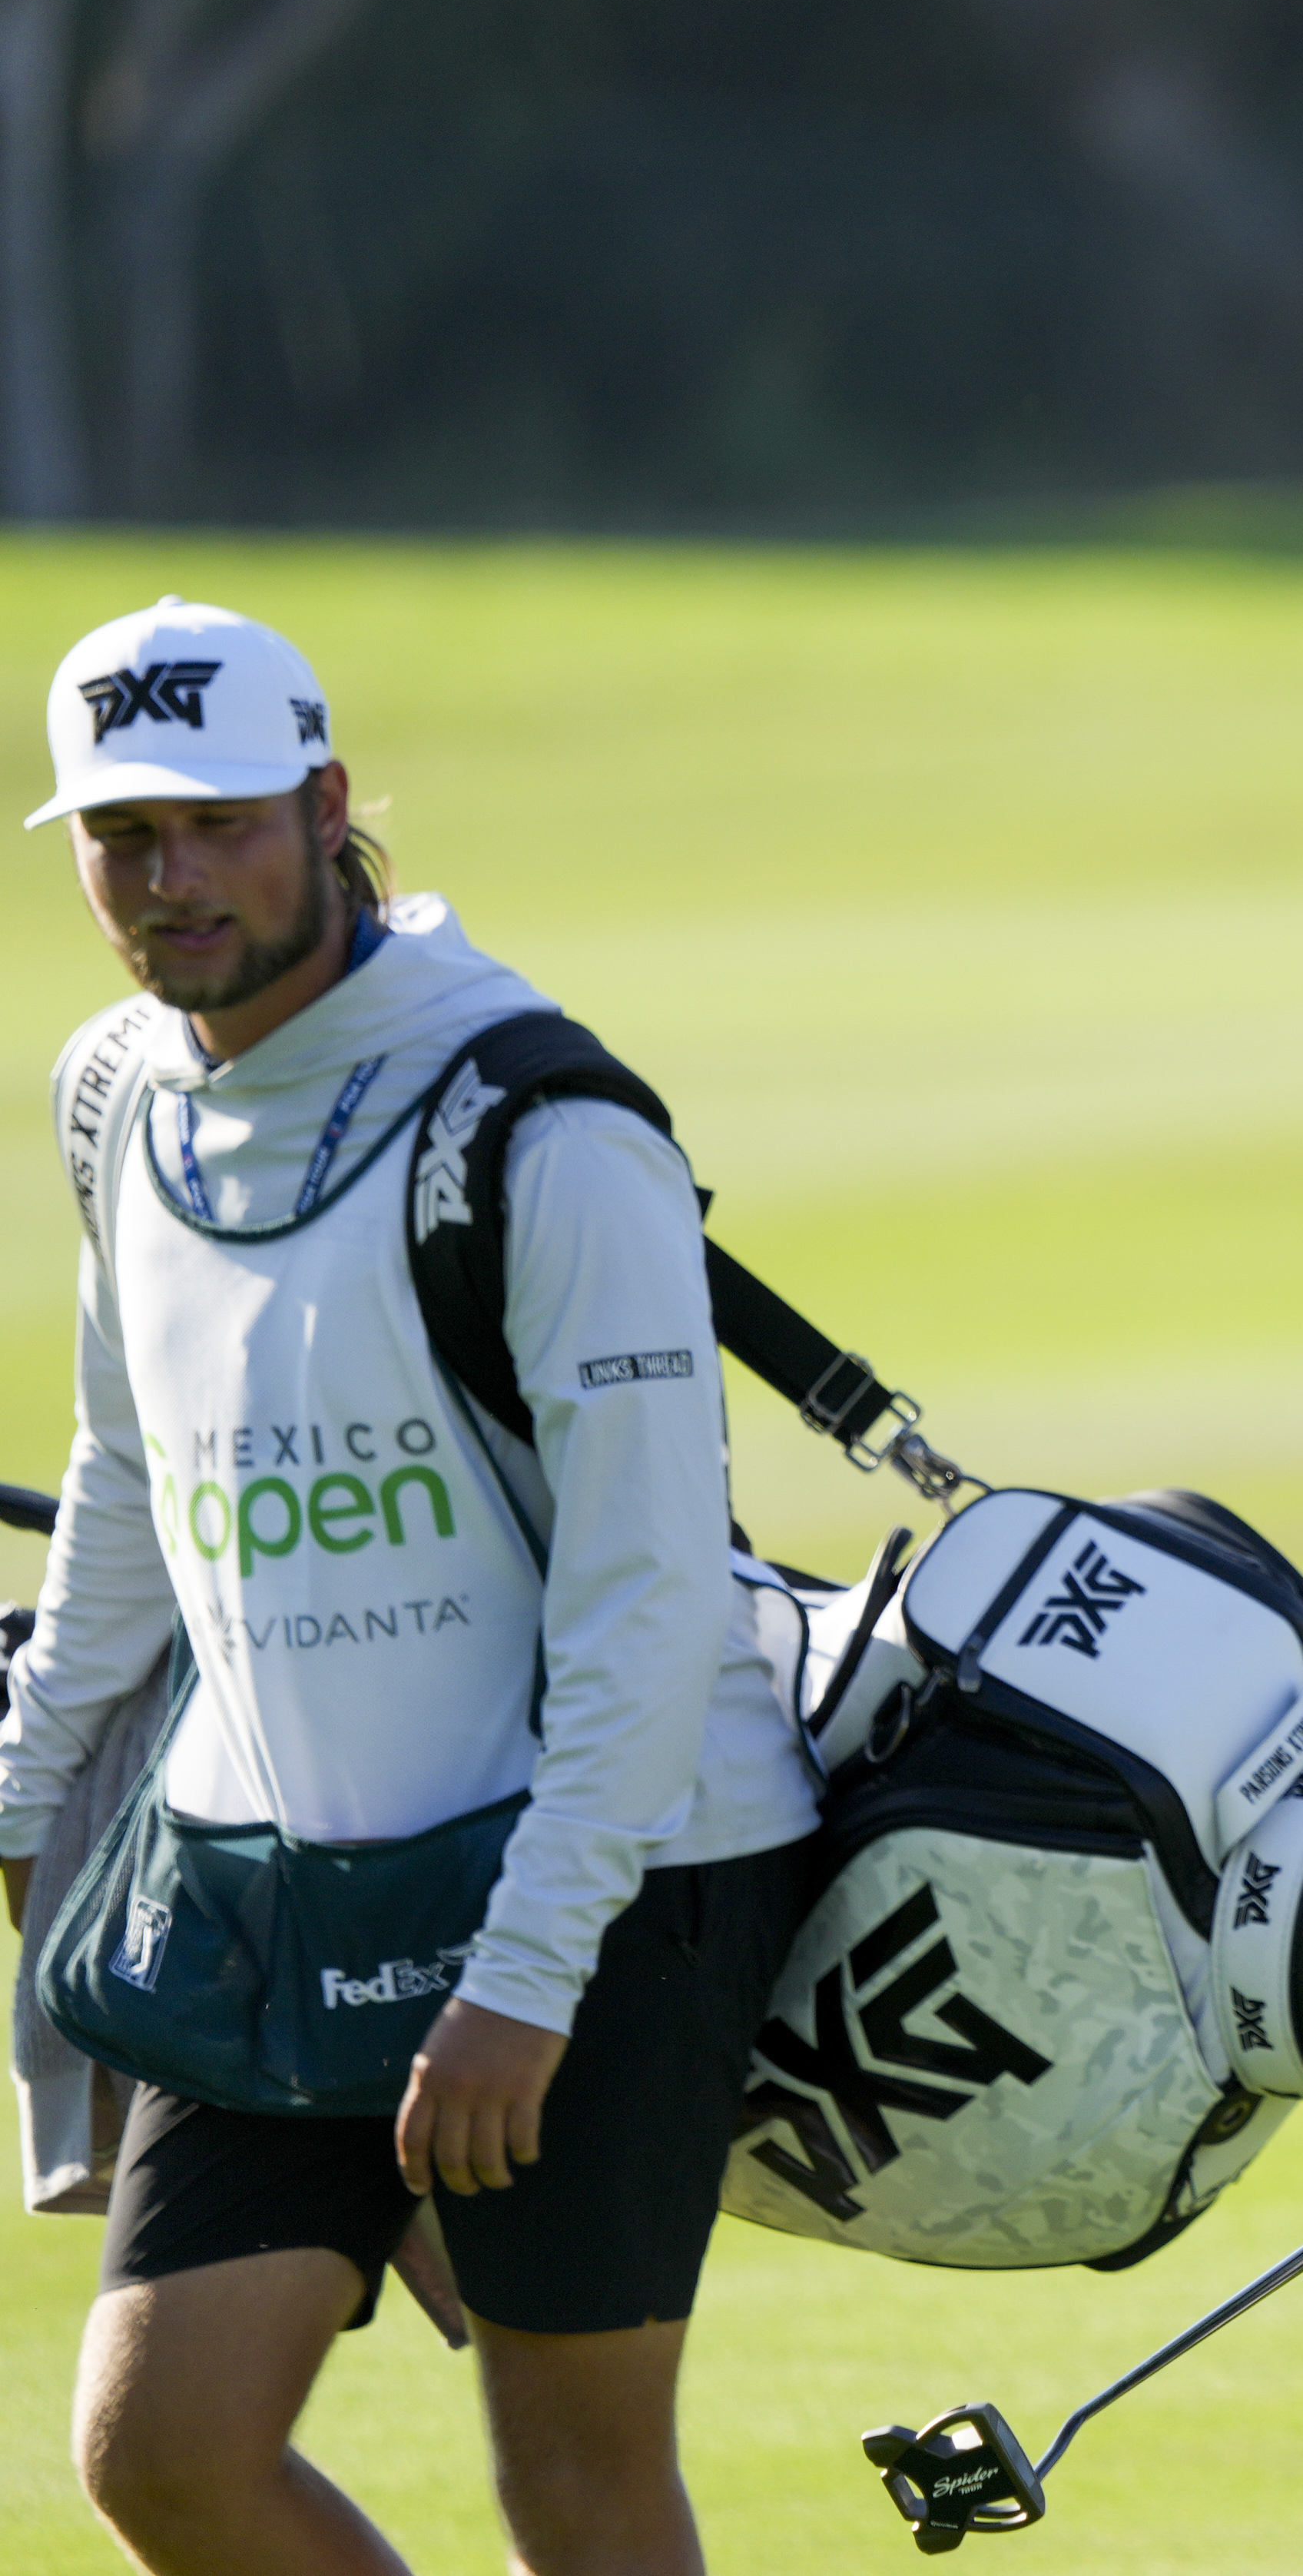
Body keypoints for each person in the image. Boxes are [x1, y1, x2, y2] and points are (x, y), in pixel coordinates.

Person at [0, 596, 820, 2576]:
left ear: (326, 804)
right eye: (124, 838)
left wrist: (523, 1984)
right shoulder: (116, 1092)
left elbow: (650, 1603)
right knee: (166, 2447)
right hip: (275, 1873)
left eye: (218, 824)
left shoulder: (543, 1123)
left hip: (607, 1883)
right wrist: (29, 1787)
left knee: (577, 2479)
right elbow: (133, 1473)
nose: (171, 878)